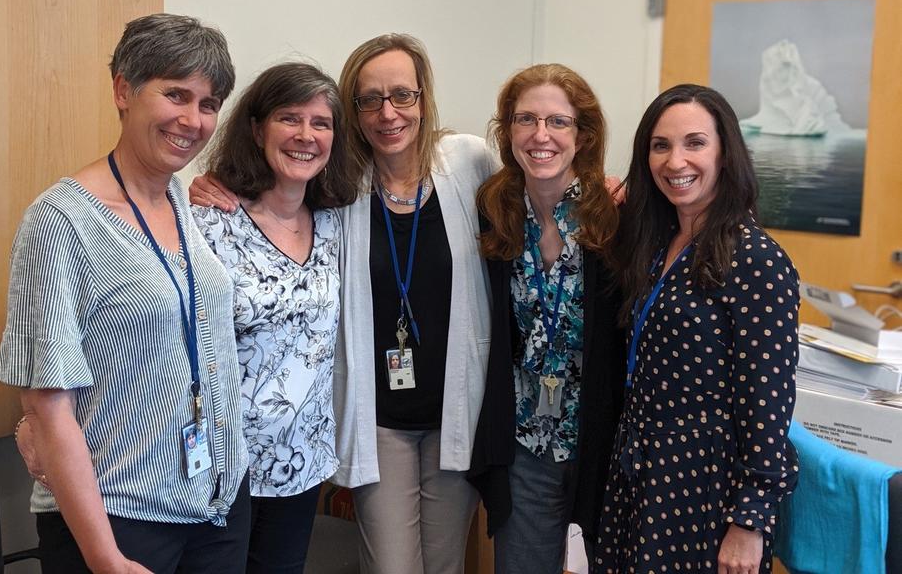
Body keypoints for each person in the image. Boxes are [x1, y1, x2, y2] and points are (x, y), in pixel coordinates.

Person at [191, 33, 496, 574]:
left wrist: (603, 187)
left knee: (446, 564)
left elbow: (533, 195)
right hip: (377, 419)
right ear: (353, 111)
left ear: (424, 100)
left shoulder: (469, 162)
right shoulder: (337, 186)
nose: (388, 113)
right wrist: (209, 183)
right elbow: (268, 192)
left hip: (454, 411)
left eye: (402, 95)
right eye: (369, 99)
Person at [0, 13, 250, 573]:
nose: (193, 119)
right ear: (123, 91)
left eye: (208, 104)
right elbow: (46, 404)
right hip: (117, 517)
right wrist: (104, 557)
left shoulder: (181, 200)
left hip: (217, 505)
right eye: (176, 94)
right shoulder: (60, 221)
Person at [595, 84, 800, 574]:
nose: (675, 161)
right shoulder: (657, 240)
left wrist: (749, 522)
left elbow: (768, 402)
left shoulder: (755, 257)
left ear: (725, 153)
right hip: (641, 474)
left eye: (695, 143)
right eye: (660, 146)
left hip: (706, 494)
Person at [192, 62, 356, 573]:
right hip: (219, 467)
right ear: (258, 127)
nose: (306, 136)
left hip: (300, 463)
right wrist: (190, 186)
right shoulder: (208, 220)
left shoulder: (337, 221)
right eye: (290, 118)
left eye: (321, 123)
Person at [468, 64, 625, 573]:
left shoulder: (618, 215)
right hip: (525, 440)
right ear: (507, 131)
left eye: (558, 122)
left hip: (602, 440)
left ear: (582, 135)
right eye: (526, 119)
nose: (541, 135)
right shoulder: (493, 210)